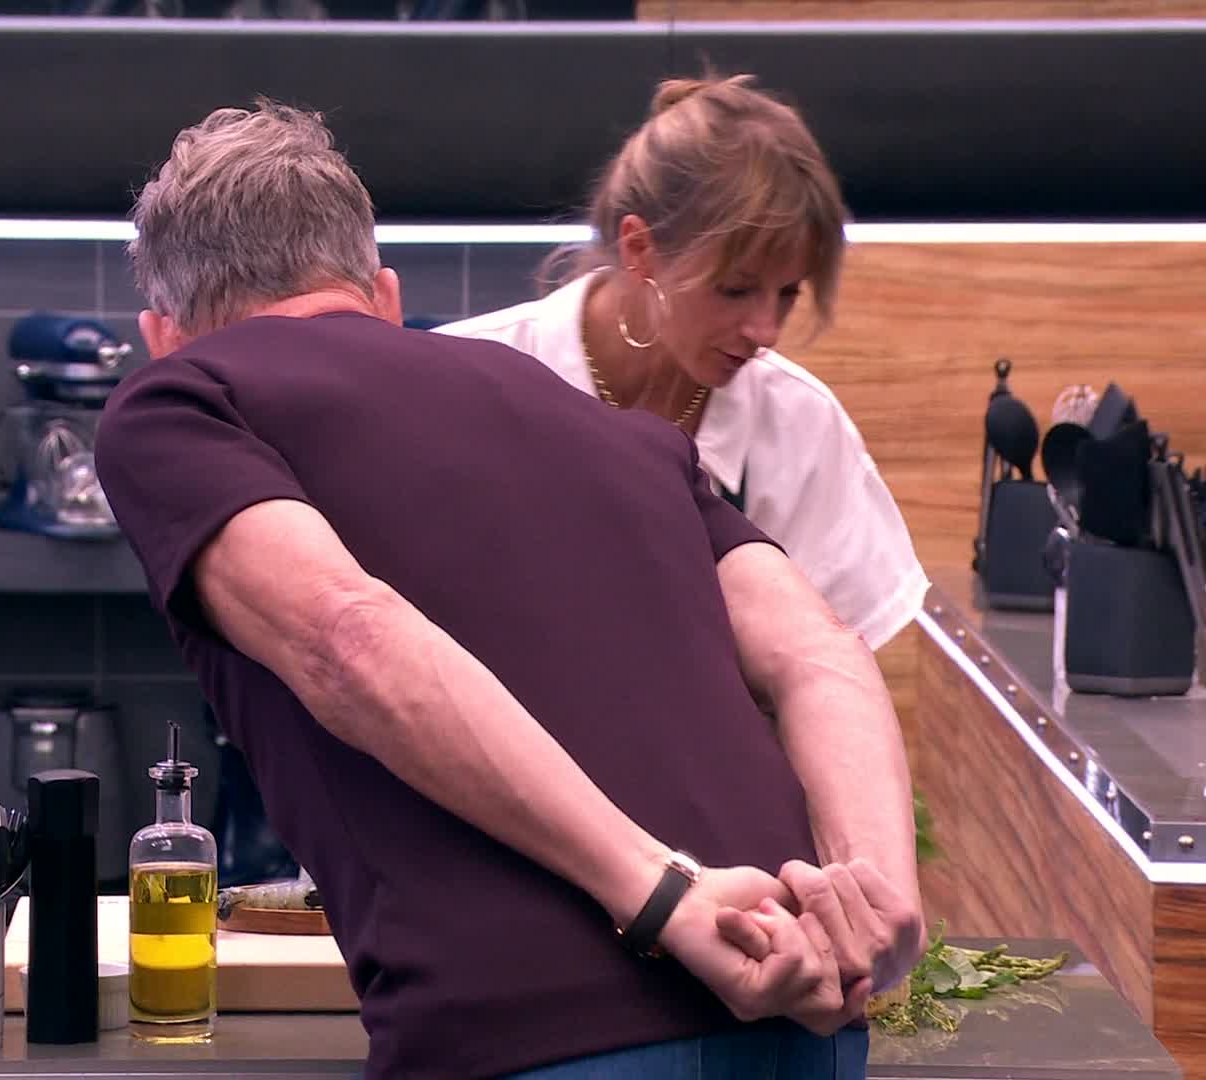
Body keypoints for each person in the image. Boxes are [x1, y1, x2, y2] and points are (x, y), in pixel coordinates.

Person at [93, 99, 923, 1080]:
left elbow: (347, 636)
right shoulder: (620, 432)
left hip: (537, 1032)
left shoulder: (180, 402)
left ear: (162, 334)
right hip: (805, 1014)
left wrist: (666, 896)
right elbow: (820, 651)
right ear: (384, 296)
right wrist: (875, 898)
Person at [435, 73, 927, 652]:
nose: (765, 332)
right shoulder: (457, 383)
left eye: (788, 293)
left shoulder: (803, 428)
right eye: (735, 289)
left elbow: (838, 666)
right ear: (640, 250)